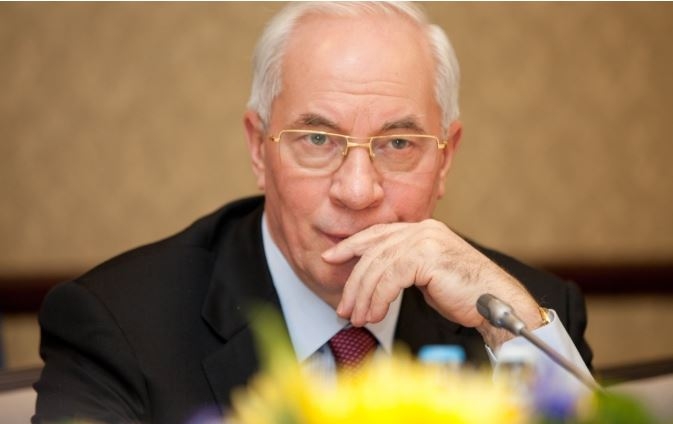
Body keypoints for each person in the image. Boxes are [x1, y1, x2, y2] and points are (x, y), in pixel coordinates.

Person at [33, 3, 594, 423]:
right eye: (318, 139)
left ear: (445, 159)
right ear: (259, 149)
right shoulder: (119, 327)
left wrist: (508, 327)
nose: (357, 190)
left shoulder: (527, 315)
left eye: (398, 144)